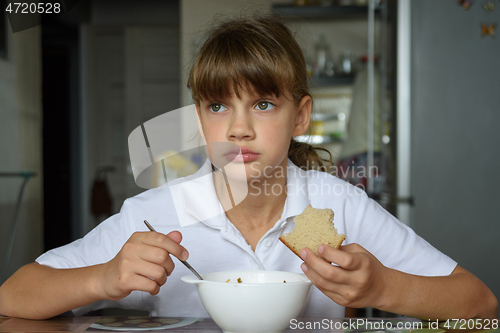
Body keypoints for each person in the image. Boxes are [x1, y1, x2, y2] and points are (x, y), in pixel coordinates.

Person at [0, 16, 497, 320]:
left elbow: (481, 305)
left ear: (300, 115)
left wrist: (383, 287)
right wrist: (104, 278)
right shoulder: (154, 213)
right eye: (218, 107)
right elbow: (13, 296)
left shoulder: (340, 207)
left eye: (262, 104)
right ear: (199, 119)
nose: (238, 129)